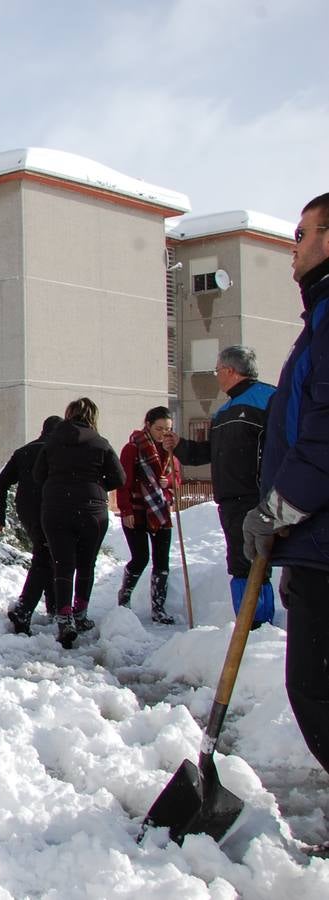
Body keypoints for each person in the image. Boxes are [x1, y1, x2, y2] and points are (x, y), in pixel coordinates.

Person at [243, 192, 329, 779]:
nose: (290, 249)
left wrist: (278, 508)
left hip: (322, 544)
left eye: (301, 235)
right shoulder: (317, 324)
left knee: (317, 693)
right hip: (315, 542)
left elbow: (322, 438)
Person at [164, 346, 276, 627]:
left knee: (255, 562)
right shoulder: (224, 411)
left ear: (229, 371)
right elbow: (211, 452)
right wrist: (181, 446)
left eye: (217, 371)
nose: (216, 377)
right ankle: (248, 623)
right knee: (240, 560)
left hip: (257, 496)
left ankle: (259, 624)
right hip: (230, 499)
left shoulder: (269, 399)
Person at [33, 397, 126, 649]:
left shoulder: (52, 442)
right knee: (86, 564)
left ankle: (64, 618)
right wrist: (95, 486)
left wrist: (59, 488)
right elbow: (119, 477)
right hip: (92, 511)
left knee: (62, 564)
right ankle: (80, 614)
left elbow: (37, 475)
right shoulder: (100, 443)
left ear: (68, 415)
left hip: (56, 510)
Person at [0, 415, 63, 635]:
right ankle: (24, 610)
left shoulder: (23, 452)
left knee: (48, 555)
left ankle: (51, 606)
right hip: (52, 510)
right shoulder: (59, 452)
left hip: (28, 512)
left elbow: (1, 483)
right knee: (46, 557)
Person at [115, 406, 180, 625]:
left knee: (162, 561)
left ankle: (159, 607)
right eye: (159, 428)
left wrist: (168, 482)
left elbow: (177, 479)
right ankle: (124, 596)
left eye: (168, 429)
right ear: (148, 426)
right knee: (141, 557)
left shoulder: (171, 450)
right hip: (137, 510)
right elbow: (123, 482)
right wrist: (126, 510)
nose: (163, 434)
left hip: (160, 511)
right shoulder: (133, 449)